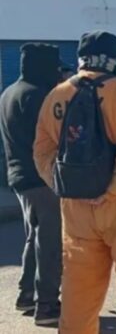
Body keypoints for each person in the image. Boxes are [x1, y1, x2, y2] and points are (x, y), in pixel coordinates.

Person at [33, 31, 116, 332]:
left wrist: (63, 185)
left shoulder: (57, 95)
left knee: (79, 293)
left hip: (76, 209)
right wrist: (111, 191)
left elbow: (41, 151)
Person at [0, 43, 63, 326]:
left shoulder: (10, 93)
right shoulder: (39, 95)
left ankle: (26, 294)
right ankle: (47, 304)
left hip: (18, 177)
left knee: (34, 236)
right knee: (50, 241)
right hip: (42, 178)